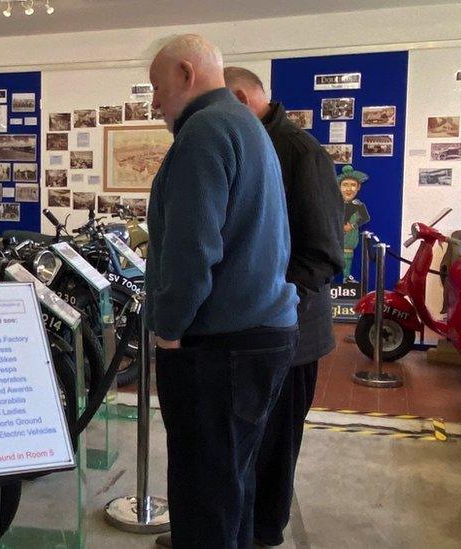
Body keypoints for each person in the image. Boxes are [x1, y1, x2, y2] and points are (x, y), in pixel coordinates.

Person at [145, 35, 299, 549]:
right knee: (232, 481)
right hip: (259, 336)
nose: (154, 101)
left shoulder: (204, 132)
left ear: (187, 73)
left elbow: (192, 251)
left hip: (220, 348)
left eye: (156, 86)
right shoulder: (243, 125)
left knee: (203, 492)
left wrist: (168, 329)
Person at [225, 67, 345, 547]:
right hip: (256, 327)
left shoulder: (298, 151)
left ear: (240, 97)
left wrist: (263, 293)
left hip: (290, 333)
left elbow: (322, 254)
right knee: (245, 445)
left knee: (274, 446)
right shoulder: (256, 142)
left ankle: (260, 535)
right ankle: (230, 531)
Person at [338, 166, 370, 281]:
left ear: (358, 187)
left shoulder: (358, 205)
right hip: (334, 238)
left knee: (347, 256)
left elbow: (365, 218)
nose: (349, 189)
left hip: (349, 239)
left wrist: (352, 226)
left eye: (352, 185)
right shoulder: (335, 203)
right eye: (345, 185)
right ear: (339, 187)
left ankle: (346, 278)